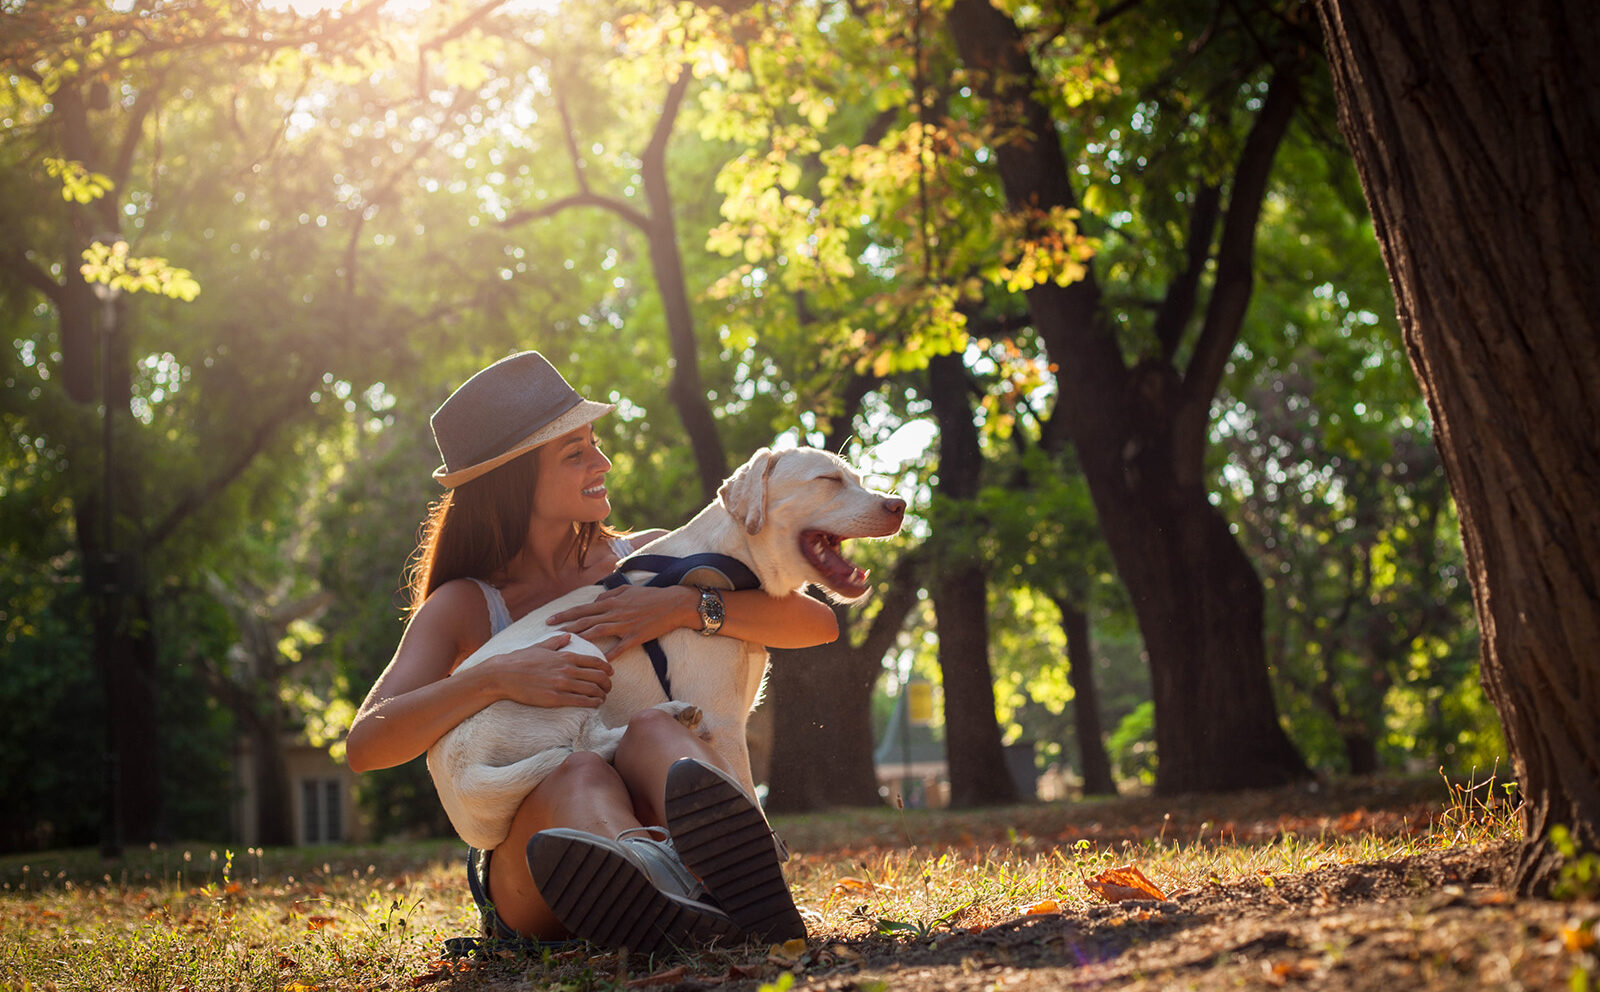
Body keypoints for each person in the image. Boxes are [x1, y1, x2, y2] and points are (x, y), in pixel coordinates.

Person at [345, 350, 837, 952]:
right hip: (536, 873)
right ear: (514, 479)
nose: (601, 462)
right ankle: (670, 886)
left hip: (649, 800)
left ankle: (691, 898)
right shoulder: (467, 605)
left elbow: (814, 624)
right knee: (579, 771)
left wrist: (682, 606)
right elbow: (367, 744)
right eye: (574, 453)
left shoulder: (649, 558)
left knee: (661, 733)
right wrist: (497, 677)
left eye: (594, 442)